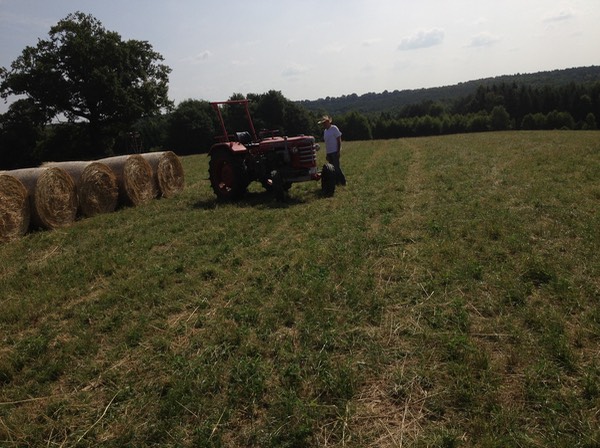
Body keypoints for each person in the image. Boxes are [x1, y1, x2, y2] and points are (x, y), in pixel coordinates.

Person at [318, 115, 347, 186]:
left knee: (336, 168)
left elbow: (339, 139)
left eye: (324, 123)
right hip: (329, 152)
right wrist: (327, 154)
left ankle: (343, 182)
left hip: (335, 151)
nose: (323, 125)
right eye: (323, 123)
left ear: (328, 122)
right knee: (332, 169)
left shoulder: (334, 128)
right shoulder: (325, 131)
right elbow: (327, 143)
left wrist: (338, 150)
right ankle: (337, 182)